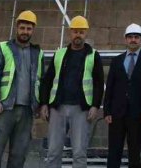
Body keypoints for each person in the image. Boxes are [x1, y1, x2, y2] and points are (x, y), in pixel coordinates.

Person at [40, 15, 104, 168]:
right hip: (58, 107)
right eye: (75, 31)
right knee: (54, 151)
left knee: (79, 153)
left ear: (86, 34)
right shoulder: (60, 54)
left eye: (81, 32)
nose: (78, 35)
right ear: (70, 33)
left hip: (81, 109)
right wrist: (44, 104)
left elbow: (98, 83)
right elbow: (47, 80)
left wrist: (95, 105)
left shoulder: (93, 55)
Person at [0, 10, 44, 168]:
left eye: (29, 29)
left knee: (19, 154)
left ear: (33, 31)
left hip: (27, 111)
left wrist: (39, 104)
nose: (25, 32)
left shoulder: (37, 52)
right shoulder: (4, 48)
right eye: (23, 28)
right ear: (17, 27)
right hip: (5, 107)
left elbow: (41, 80)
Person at [105, 23, 141, 168]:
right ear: (125, 39)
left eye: (136, 37)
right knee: (114, 150)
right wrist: (107, 111)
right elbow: (110, 87)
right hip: (117, 113)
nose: (133, 40)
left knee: (134, 152)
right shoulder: (117, 61)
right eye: (130, 37)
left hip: (137, 114)